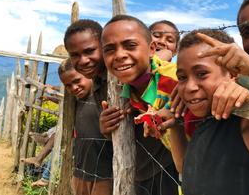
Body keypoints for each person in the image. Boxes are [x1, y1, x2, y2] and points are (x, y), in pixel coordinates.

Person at [158, 28, 249, 195]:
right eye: (182, 77)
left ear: (233, 74)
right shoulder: (205, 120)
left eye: (202, 73)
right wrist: (176, 127)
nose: (190, 87)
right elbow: (185, 167)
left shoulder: (247, 118)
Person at [64, 19, 180, 195]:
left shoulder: (133, 75)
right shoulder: (97, 83)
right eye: (74, 55)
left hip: (165, 165)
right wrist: (106, 130)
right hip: (135, 168)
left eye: (90, 51)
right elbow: (120, 131)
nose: (84, 60)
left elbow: (160, 56)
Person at [58, 58, 113, 195]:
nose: (74, 88)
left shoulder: (103, 100)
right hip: (80, 171)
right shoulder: (74, 103)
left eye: (77, 81)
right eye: (68, 86)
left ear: (89, 75)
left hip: (105, 174)